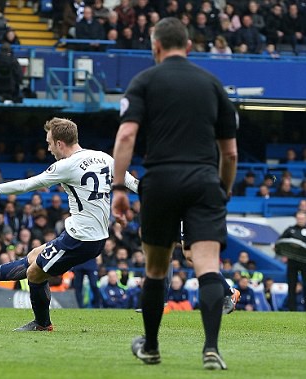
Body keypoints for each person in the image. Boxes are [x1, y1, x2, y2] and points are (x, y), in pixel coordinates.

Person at [112, 17, 238, 370]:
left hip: (161, 181)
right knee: (208, 268)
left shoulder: (144, 81)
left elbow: (125, 137)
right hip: (204, 181)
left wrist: (119, 186)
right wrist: (222, 190)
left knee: (156, 268)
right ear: (189, 46)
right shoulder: (213, 84)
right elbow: (229, 153)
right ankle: (211, 349)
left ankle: (151, 347)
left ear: (156, 47)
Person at [0, 117, 139, 331]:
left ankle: (41, 323)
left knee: (35, 273)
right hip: (90, 235)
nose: (49, 147)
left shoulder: (66, 165)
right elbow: (131, 182)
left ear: (60, 143)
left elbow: (27, 185)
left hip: (81, 239)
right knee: (35, 254)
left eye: (50, 142)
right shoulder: (103, 158)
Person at [275, 211, 306, 312]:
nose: (300, 220)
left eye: (302, 218)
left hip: (305, 262)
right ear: (296, 219)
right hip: (292, 261)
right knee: (292, 285)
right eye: (299, 218)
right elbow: (280, 243)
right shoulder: (290, 230)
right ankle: (292, 309)